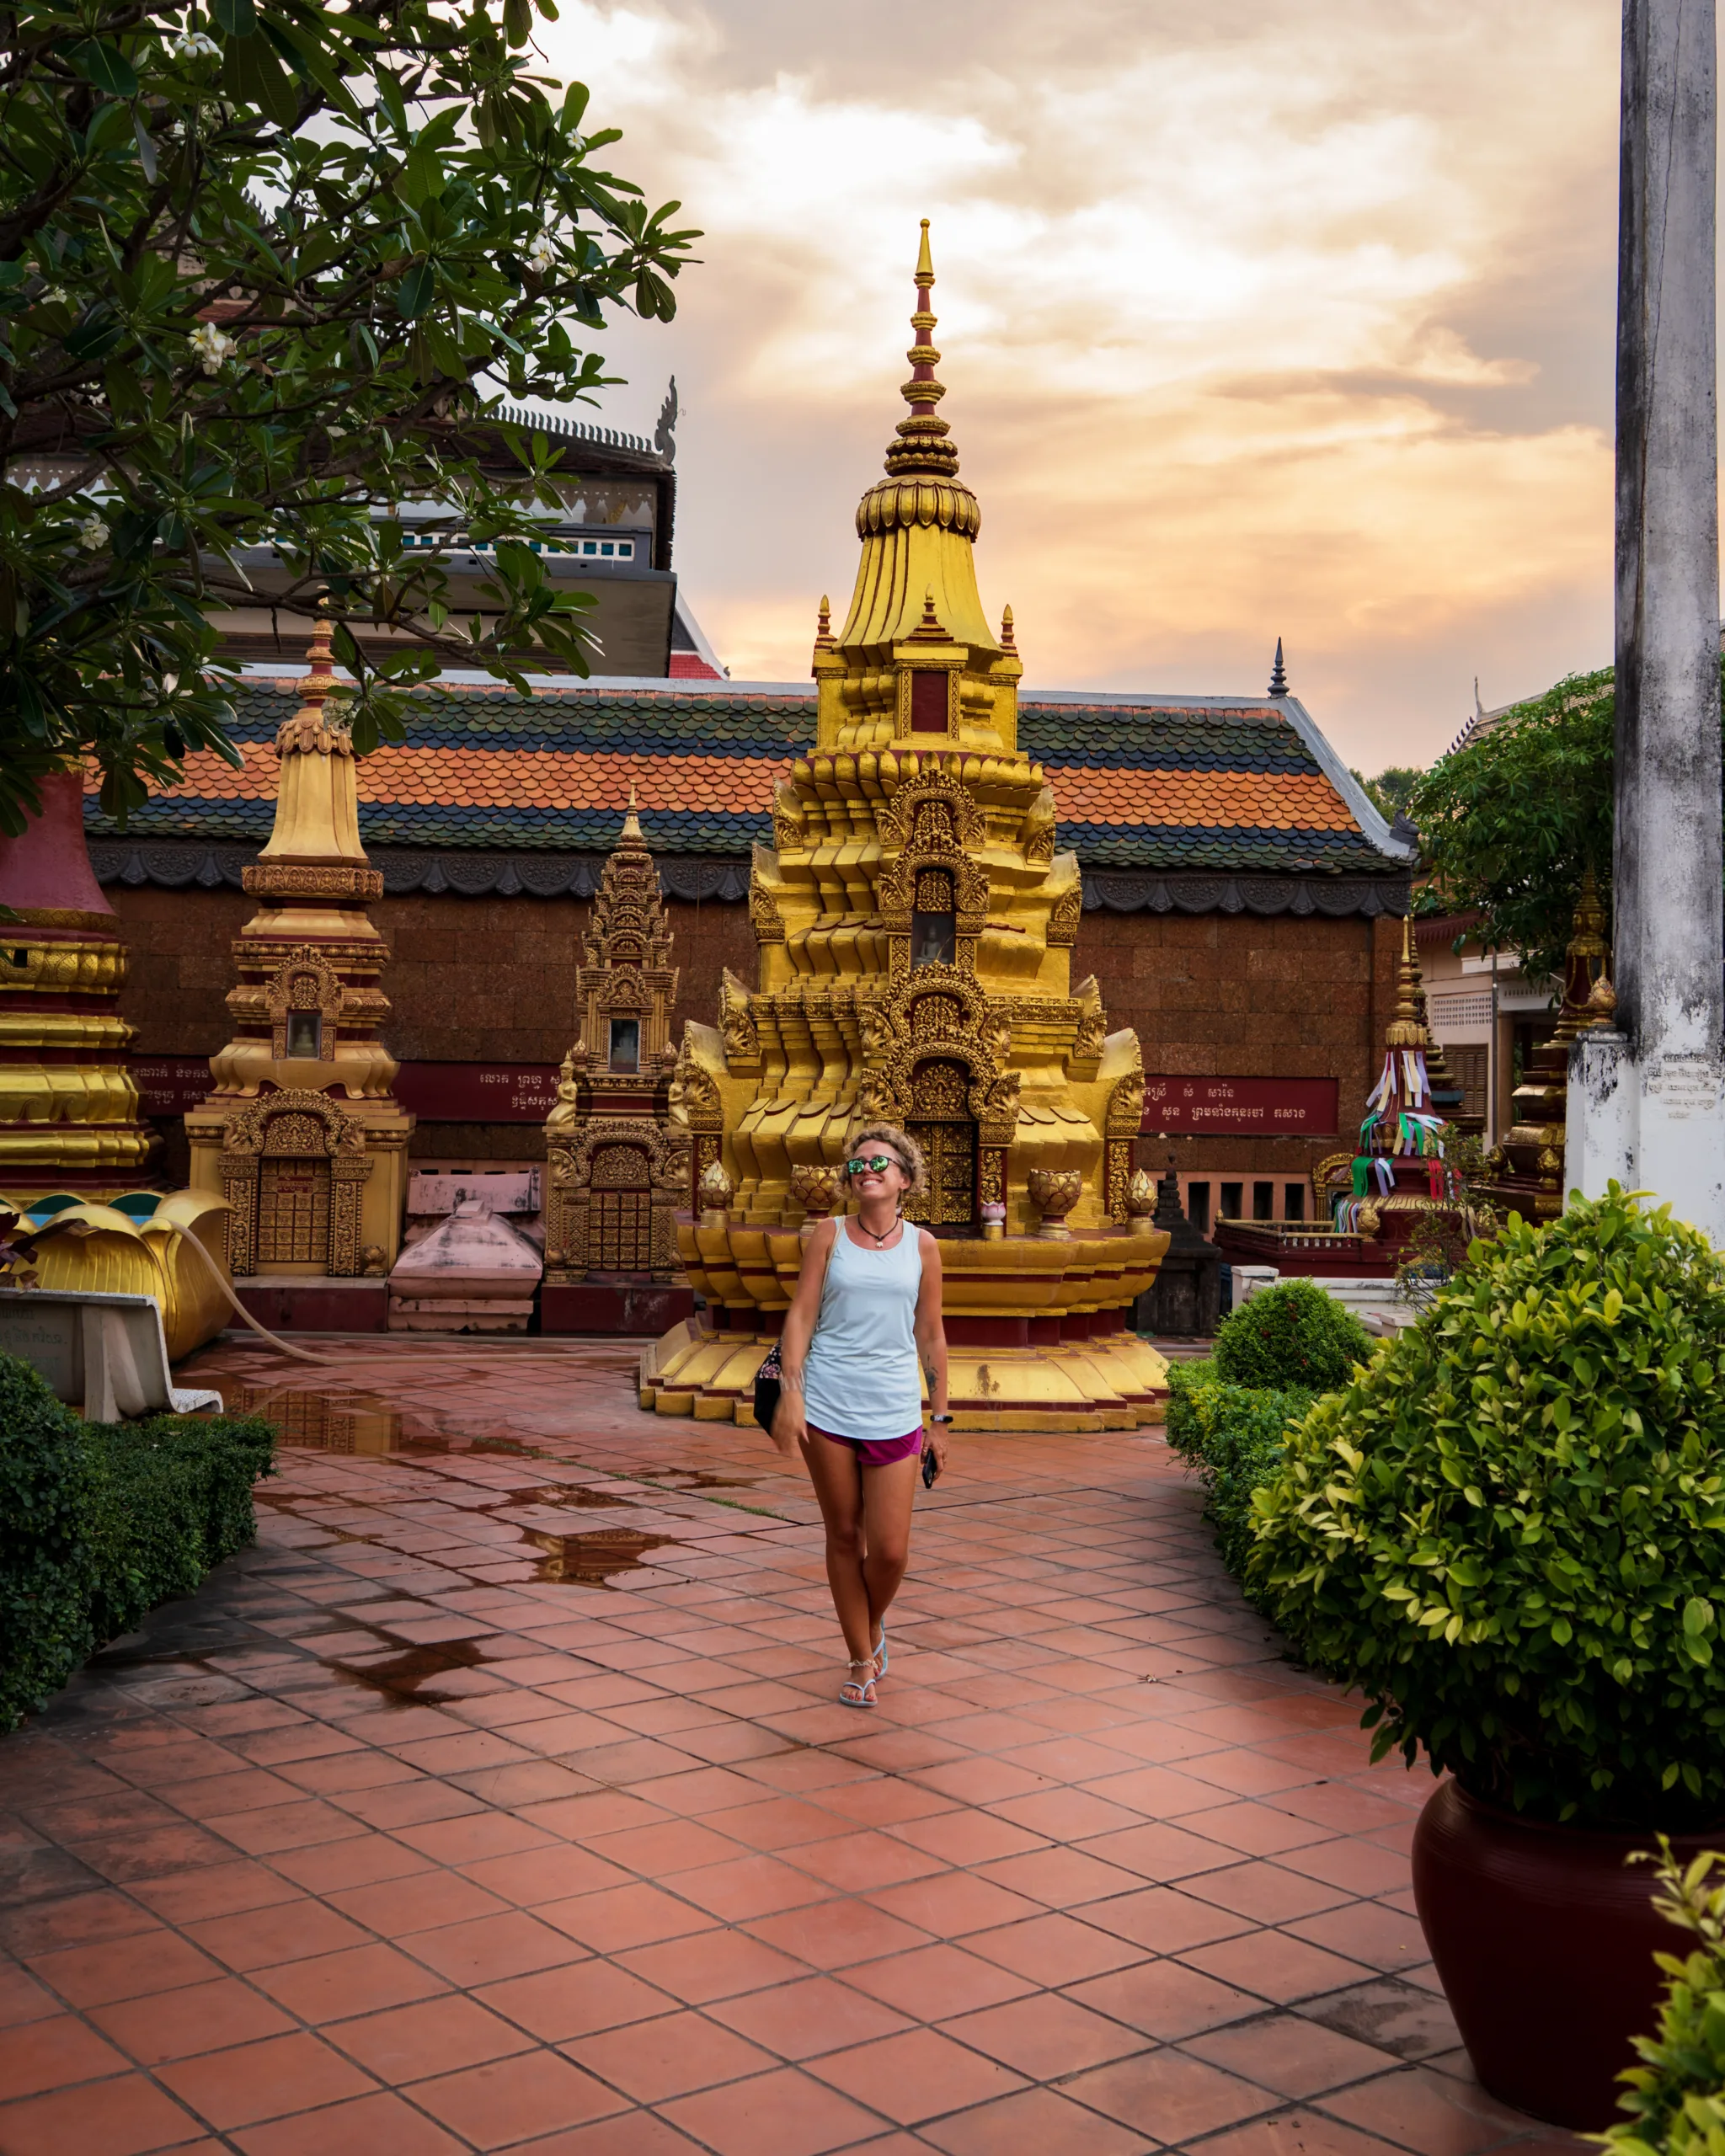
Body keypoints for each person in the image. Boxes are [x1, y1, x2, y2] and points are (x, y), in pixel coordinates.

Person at [771, 1121, 951, 1708]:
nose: (866, 1170)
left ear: (905, 1179)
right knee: (844, 1535)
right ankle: (860, 1656)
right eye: (857, 1164)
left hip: (895, 1407)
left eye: (880, 1163)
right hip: (827, 1401)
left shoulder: (924, 1246)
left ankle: (868, 1626)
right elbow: (799, 1316)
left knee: (892, 1550)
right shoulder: (828, 1235)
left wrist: (940, 1418)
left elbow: (930, 1332)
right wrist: (792, 1391)